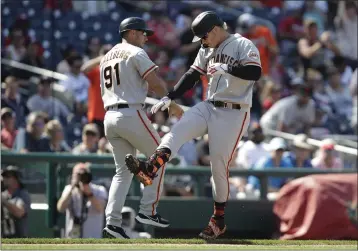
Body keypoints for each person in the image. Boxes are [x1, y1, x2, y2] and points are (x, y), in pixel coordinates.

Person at [125, 11, 261, 240]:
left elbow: (255, 72)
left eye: (204, 37)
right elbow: (193, 74)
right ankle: (150, 169)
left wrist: (228, 69)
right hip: (210, 105)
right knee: (177, 130)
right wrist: (170, 96)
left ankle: (218, 220)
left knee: (218, 166)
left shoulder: (242, 44)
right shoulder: (207, 48)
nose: (202, 41)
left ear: (215, 30)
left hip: (234, 112)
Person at [100, 17, 183, 238]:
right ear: (131, 32)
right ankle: (148, 211)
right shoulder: (135, 52)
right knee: (162, 156)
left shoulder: (106, 57)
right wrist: (170, 102)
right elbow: (155, 82)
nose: (146, 36)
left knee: (122, 173)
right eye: (143, 33)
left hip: (109, 116)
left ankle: (113, 223)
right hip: (130, 112)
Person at [57, 163, 108, 238]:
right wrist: (72, 188)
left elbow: (100, 208)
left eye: (84, 174)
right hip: (72, 239)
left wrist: (89, 193)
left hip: (93, 239)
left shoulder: (99, 190)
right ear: (73, 176)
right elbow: (60, 208)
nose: (81, 177)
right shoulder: (68, 189)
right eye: (78, 174)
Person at [1, 166, 31, 238]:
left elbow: (19, 212)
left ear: (16, 179)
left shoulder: (22, 194)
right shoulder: (3, 194)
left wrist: (4, 201)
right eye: (4, 176)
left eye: (8, 176)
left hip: (19, 239)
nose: (5, 179)